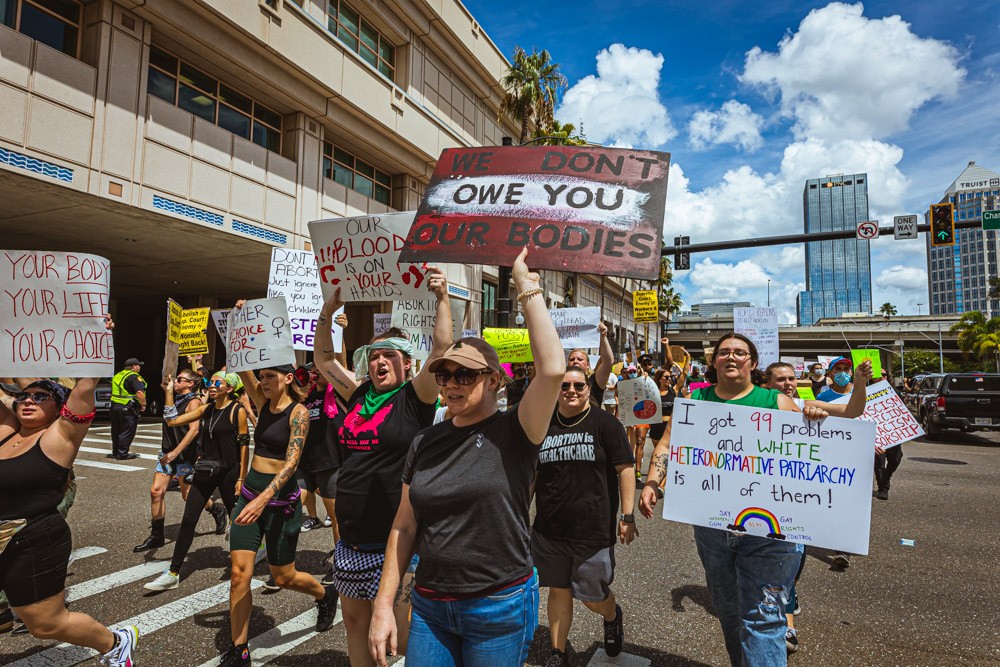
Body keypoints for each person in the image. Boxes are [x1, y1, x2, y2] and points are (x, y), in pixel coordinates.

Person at [368, 247, 564, 667]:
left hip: (499, 605)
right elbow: (404, 526)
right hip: (430, 606)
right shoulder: (424, 441)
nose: (451, 384)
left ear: (493, 380)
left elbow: (551, 370)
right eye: (444, 374)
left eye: (464, 375)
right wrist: (385, 604)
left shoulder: (517, 430)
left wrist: (525, 287)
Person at [639, 332, 828, 667]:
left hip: (771, 532)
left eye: (740, 352)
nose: (731, 357)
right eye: (724, 352)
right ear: (714, 362)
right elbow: (667, 444)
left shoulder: (777, 403)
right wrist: (655, 481)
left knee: (765, 620)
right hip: (712, 530)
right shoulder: (695, 403)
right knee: (728, 612)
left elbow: (811, 453)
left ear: (752, 363)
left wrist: (813, 418)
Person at [314, 267, 451, 667]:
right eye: (373, 356)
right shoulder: (356, 394)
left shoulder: (416, 398)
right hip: (351, 540)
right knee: (356, 626)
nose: (380, 362)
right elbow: (323, 359)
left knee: (403, 640)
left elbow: (442, 350)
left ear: (408, 364)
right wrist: (329, 310)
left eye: (390, 354)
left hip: (396, 543)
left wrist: (441, 298)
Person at [0, 319, 139, 666]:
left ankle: (114, 642)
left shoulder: (59, 437)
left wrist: (98, 334)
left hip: (33, 537)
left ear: (59, 406)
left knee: (45, 624)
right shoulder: (5, 432)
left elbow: (85, 386)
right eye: (24, 397)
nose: (28, 401)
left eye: (40, 397)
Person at [222, 355, 337, 667]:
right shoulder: (261, 399)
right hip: (249, 499)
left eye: (270, 376)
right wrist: (240, 327)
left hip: (278, 505)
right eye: (262, 376)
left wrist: (265, 498)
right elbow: (242, 363)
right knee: (238, 575)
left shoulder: (298, 413)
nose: (263, 381)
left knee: (283, 576)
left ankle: (325, 596)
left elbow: (292, 462)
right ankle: (239, 650)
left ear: (288, 378)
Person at [762, 359, 873, 652]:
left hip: (796, 501)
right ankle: (786, 626)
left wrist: (859, 383)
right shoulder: (755, 409)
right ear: (766, 385)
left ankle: (786, 604)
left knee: (788, 563)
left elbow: (853, 411)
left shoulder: (803, 405)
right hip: (761, 501)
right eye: (780, 380)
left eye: (791, 379)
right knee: (772, 565)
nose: (787, 384)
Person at [533, 366, 637, 667]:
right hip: (549, 529)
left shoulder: (605, 424)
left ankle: (612, 614)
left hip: (592, 530)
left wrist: (627, 516)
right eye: (565, 385)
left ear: (589, 390)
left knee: (592, 597)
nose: (571, 391)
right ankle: (557, 653)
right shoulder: (544, 423)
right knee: (558, 589)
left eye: (579, 386)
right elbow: (534, 475)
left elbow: (626, 469)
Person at [144, 372, 250, 591]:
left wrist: (242, 476)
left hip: (230, 472)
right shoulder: (207, 409)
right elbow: (172, 421)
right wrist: (169, 392)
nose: (211, 386)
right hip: (206, 470)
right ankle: (173, 572)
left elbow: (244, 445)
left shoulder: (236, 410)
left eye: (217, 383)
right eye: (210, 383)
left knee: (237, 519)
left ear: (229, 389)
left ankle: (249, 556)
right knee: (188, 520)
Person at [134, 368, 227, 553]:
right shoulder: (173, 398)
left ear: (190, 384)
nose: (175, 381)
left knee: (187, 496)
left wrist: (176, 452)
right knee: (156, 491)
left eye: (179, 379)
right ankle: (157, 536)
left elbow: (193, 431)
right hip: (167, 452)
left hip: (185, 455)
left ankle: (216, 509)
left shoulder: (193, 402)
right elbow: (166, 387)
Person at [566, 321, 614, 406]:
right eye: (572, 359)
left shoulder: (595, 380)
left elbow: (608, 362)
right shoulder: (560, 380)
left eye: (580, 359)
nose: (575, 361)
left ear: (588, 365)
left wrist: (603, 337)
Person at [109, 357, 146, 460]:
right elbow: (139, 392)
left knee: (116, 430)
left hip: (115, 407)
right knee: (127, 431)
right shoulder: (134, 377)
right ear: (134, 367)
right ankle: (122, 454)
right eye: (138, 365)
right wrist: (143, 404)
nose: (139, 367)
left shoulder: (118, 375)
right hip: (127, 407)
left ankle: (116, 452)